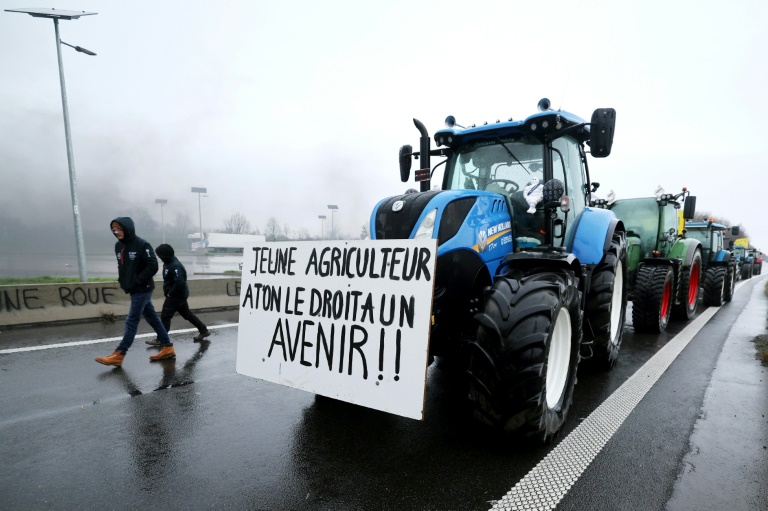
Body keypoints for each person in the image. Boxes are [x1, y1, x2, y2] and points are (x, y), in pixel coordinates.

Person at [95, 217, 175, 366]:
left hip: (143, 288)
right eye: (114, 230)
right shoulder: (118, 246)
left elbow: (153, 266)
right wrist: (123, 281)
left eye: (119, 229)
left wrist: (137, 281)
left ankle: (120, 354)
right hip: (133, 289)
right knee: (152, 318)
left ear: (127, 229)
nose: (116, 232)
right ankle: (168, 347)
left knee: (131, 320)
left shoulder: (142, 244)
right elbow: (122, 266)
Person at [148, 243, 210, 345]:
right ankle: (203, 330)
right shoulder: (168, 262)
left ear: (165, 255)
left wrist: (170, 294)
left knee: (165, 317)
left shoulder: (175, 265)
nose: (158, 257)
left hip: (176, 296)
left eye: (159, 255)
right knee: (187, 315)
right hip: (178, 295)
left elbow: (180, 282)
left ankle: (160, 339)